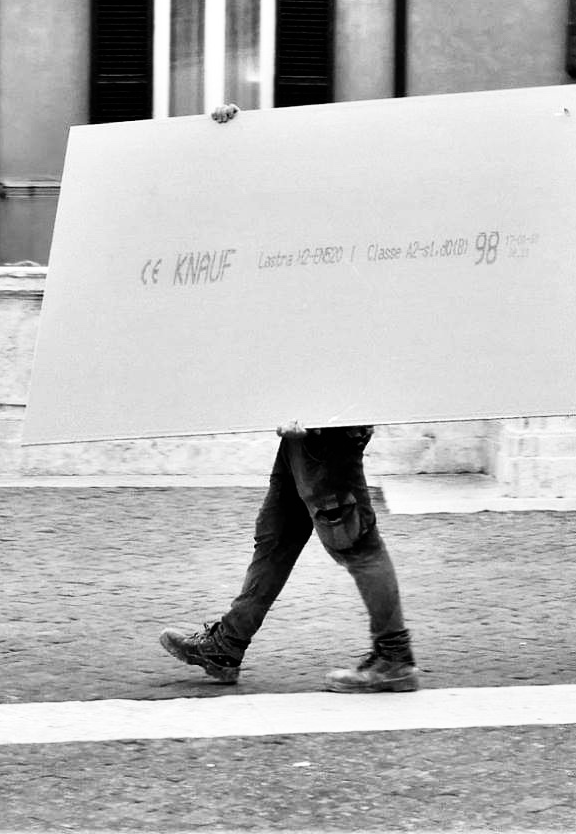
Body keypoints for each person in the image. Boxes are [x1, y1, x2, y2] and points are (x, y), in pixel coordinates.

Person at [157, 103, 420, 694]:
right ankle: (226, 647)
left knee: (355, 541)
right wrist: (233, 138)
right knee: (277, 533)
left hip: (326, 418)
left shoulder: (357, 241)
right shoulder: (319, 227)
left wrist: (317, 396)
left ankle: (395, 658)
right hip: (307, 414)